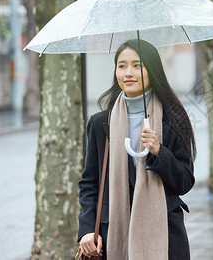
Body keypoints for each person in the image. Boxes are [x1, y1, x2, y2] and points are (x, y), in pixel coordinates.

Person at [77, 39, 196, 260]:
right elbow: (90, 182)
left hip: (164, 235)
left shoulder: (173, 119)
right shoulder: (100, 123)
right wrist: (86, 229)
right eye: (122, 65)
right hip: (112, 232)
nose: (128, 73)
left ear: (152, 70)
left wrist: (160, 152)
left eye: (137, 65)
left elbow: (185, 181)